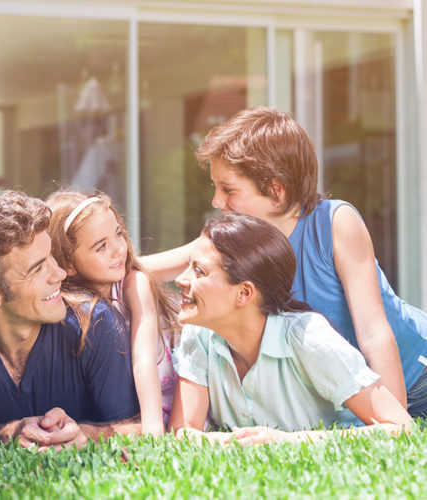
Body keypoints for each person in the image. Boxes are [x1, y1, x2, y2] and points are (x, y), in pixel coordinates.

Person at [143, 106, 427, 418]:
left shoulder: (335, 223)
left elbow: (375, 334)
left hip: (414, 376)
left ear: (276, 191)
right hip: (354, 388)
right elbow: (153, 266)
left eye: (229, 189)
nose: (216, 201)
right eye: (216, 187)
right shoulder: (238, 240)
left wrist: (395, 421)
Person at [0, 189, 182, 436]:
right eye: (37, 269)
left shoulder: (99, 318)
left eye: (52, 257)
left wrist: (87, 435)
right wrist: (13, 433)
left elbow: (138, 428)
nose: (59, 275)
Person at [169, 214, 412, 444]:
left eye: (198, 271)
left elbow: (401, 427)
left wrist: (287, 441)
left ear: (244, 293)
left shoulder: (308, 338)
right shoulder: (199, 333)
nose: (181, 279)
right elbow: (182, 431)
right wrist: (230, 442)